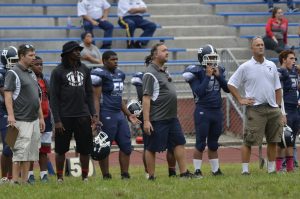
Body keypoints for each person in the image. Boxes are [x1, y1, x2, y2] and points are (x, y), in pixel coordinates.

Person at [228, 37, 283, 175]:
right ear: (252, 48)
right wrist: (240, 99)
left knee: (273, 140)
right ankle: (245, 170)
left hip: (272, 108)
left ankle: (271, 170)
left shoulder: (272, 65)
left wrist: (279, 108)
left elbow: (278, 88)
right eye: (257, 45)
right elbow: (231, 83)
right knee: (249, 140)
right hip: (255, 109)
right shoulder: (245, 67)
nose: (260, 47)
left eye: (262, 45)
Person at [142, 43, 193, 180]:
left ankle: (184, 173)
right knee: (151, 147)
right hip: (157, 118)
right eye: (164, 50)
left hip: (171, 117)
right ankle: (151, 177)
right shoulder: (150, 73)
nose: (167, 52)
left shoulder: (164, 70)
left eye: (167, 50)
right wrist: (146, 121)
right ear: (155, 54)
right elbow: (146, 98)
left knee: (179, 143)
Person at [50, 41, 97, 182]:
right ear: (67, 54)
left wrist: (93, 114)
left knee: (85, 149)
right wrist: (57, 120)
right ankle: (59, 178)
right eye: (75, 50)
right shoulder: (57, 71)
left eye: (79, 50)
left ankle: (84, 177)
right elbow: (53, 98)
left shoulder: (85, 69)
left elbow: (89, 93)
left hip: (83, 115)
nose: (78, 52)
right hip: (64, 117)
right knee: (60, 149)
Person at [182, 44, 230, 178]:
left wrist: (219, 77)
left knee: (214, 144)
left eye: (214, 57)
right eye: (210, 58)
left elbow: (227, 89)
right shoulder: (195, 72)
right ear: (202, 58)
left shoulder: (219, 69)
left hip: (216, 111)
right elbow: (199, 92)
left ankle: (216, 170)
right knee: (201, 143)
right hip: (203, 110)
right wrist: (208, 76)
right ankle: (197, 170)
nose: (213, 61)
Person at [91, 51, 140, 180]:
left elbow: (119, 98)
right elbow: (95, 98)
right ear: (104, 61)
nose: (116, 61)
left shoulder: (120, 74)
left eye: (117, 59)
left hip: (119, 114)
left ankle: (125, 174)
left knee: (126, 145)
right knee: (104, 146)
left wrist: (129, 115)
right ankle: (106, 175)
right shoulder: (99, 74)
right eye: (113, 59)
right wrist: (96, 117)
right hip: (106, 113)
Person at [4, 44, 45, 184]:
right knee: (19, 152)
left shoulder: (31, 73)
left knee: (30, 153)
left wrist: (40, 117)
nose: (34, 58)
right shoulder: (13, 72)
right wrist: (11, 116)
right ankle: (15, 181)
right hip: (21, 119)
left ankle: (24, 181)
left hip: (33, 119)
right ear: (21, 56)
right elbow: (8, 95)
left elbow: (36, 98)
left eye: (34, 55)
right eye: (31, 55)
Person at [131, 72, 177, 177]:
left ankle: (172, 171)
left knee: (172, 144)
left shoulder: (164, 74)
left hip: (165, 114)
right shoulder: (143, 76)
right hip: (149, 115)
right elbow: (143, 97)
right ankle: (149, 173)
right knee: (149, 146)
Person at [27, 56, 53, 183]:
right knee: (32, 148)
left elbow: (50, 99)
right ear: (31, 66)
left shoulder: (45, 81)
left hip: (46, 118)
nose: (40, 66)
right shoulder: (27, 80)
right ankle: (29, 175)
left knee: (44, 149)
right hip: (32, 118)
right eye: (37, 64)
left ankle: (44, 175)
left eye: (41, 64)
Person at [276, 50, 299, 172]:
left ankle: (291, 166)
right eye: (291, 58)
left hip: (295, 109)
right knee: (282, 139)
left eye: (295, 59)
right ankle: (281, 166)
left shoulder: (294, 72)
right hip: (286, 109)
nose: (294, 61)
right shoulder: (280, 72)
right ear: (284, 60)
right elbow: (280, 92)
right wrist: (281, 112)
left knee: (292, 139)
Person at [0, 46, 18, 183]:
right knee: (8, 145)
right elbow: (5, 94)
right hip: (4, 113)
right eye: (12, 60)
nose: (15, 62)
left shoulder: (13, 72)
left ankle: (10, 177)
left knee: (11, 146)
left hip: (10, 112)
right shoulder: (2, 73)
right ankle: (4, 176)